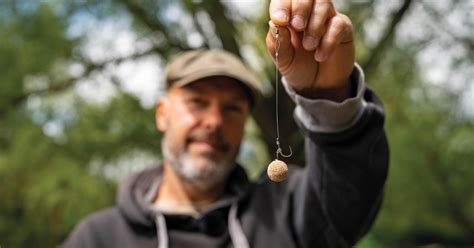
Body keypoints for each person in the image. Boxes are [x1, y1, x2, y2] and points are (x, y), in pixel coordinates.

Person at [64, 1, 389, 247]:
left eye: (233, 108)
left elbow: (348, 200)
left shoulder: (284, 210)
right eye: (198, 103)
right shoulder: (97, 237)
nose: (215, 121)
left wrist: (328, 96)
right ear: (162, 113)